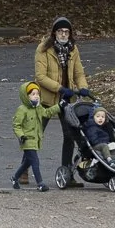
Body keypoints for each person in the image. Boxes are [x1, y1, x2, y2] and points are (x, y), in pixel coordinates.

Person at [33, 17, 89, 185]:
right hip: (47, 99)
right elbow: (40, 77)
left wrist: (83, 87)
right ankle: (25, 169)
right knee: (35, 136)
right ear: (54, 33)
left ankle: (67, 173)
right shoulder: (44, 49)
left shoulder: (73, 49)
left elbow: (78, 73)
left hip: (67, 99)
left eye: (66, 32)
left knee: (70, 136)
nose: (63, 34)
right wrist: (59, 88)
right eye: (60, 31)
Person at [11, 81, 57, 191]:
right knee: (35, 161)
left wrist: (59, 106)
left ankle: (14, 177)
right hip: (27, 140)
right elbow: (16, 125)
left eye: (37, 94)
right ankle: (40, 184)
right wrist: (21, 136)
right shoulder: (22, 109)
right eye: (33, 94)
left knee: (27, 162)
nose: (36, 96)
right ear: (26, 96)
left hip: (35, 140)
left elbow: (47, 113)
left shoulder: (38, 107)